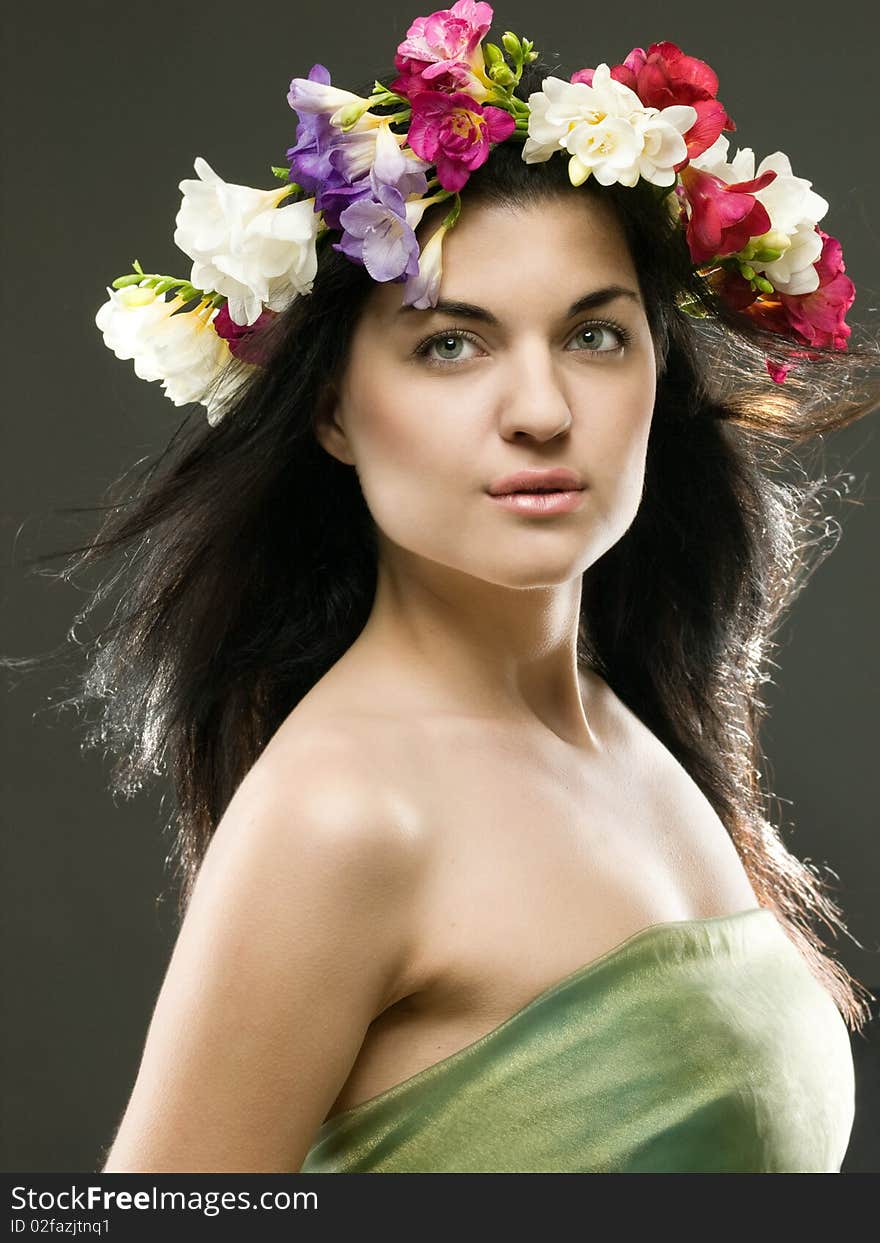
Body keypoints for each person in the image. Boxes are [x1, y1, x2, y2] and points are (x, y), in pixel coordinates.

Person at [21, 6, 880, 1172]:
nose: (539, 410)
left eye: (593, 336)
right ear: (330, 408)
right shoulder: (345, 817)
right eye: (449, 344)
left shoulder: (638, 723)